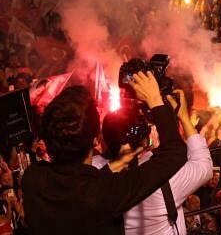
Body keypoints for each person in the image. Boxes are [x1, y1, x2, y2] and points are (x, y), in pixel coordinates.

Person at [22, 72, 188, 235]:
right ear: (95, 140)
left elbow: (76, 185)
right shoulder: (103, 193)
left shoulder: (32, 178)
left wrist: (118, 164)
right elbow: (174, 153)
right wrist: (155, 100)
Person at [92, 88, 213, 235]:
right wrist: (183, 116)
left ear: (103, 138)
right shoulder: (165, 174)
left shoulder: (90, 173)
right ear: (143, 140)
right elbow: (204, 166)